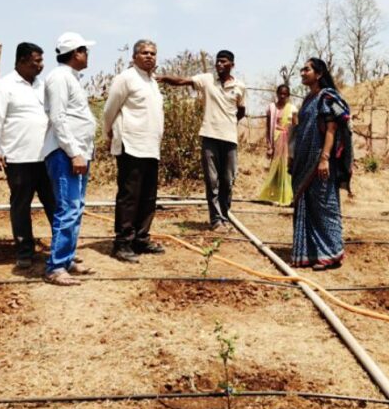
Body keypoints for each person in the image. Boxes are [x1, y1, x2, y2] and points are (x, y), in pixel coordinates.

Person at [0, 42, 56, 271]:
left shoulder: (43, 86)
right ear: (22, 61)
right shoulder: (5, 86)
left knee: (54, 204)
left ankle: (62, 249)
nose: (41, 65)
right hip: (19, 158)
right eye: (37, 61)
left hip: (46, 157)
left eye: (42, 61)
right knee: (21, 205)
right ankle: (25, 251)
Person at [157, 50, 246, 232]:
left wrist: (228, 123)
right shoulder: (207, 80)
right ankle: (216, 220)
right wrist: (163, 78)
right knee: (212, 181)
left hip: (230, 140)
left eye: (223, 61)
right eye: (217, 61)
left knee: (227, 180)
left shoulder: (240, 86)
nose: (219, 64)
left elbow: (241, 110)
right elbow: (182, 81)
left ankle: (225, 216)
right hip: (209, 137)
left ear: (232, 65)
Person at [41, 32, 97, 285]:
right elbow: (58, 118)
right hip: (66, 153)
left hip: (77, 153)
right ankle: (56, 267)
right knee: (68, 207)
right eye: (85, 51)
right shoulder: (59, 78)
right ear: (76, 53)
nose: (87, 55)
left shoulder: (71, 78)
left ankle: (66, 259)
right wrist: (74, 153)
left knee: (76, 207)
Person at [102, 40, 166, 263]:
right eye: (144, 53)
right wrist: (108, 134)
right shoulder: (126, 78)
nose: (149, 56)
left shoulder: (152, 81)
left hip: (151, 147)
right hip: (131, 145)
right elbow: (109, 110)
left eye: (153, 53)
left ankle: (141, 238)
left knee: (148, 197)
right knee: (130, 197)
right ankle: (123, 242)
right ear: (134, 56)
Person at [290, 58, 352, 270]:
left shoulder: (327, 97)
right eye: (302, 69)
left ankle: (332, 254)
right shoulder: (308, 99)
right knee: (309, 206)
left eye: (306, 69)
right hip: (304, 163)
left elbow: (332, 129)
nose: (302, 72)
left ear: (318, 74)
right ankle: (311, 253)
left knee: (325, 206)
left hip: (320, 161)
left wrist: (324, 158)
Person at [258, 84, 298, 206]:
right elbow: (268, 127)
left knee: (286, 169)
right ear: (277, 94)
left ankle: (287, 197)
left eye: (285, 94)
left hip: (288, 142)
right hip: (276, 141)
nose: (282, 96)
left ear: (288, 95)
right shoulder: (272, 108)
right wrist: (269, 145)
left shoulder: (292, 109)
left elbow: (296, 128)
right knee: (275, 168)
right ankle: (274, 196)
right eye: (280, 93)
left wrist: (294, 146)